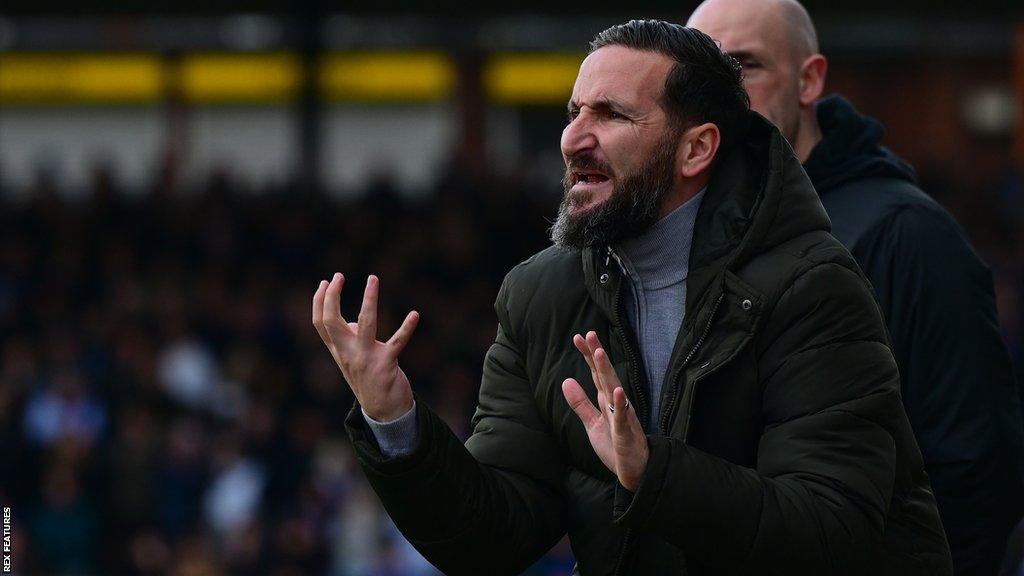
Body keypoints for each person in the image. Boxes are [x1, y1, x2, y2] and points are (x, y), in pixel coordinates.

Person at [313, 20, 952, 574]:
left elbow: (831, 533)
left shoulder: (812, 287)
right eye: (574, 113)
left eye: (611, 115)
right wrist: (394, 422)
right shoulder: (540, 295)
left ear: (696, 148)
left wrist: (654, 475)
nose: (572, 139)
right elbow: (491, 541)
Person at [686, 2, 1024, 573]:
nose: (721, 90)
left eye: (744, 65)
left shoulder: (906, 234)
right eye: (700, 74)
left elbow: (973, 466)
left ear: (809, 79)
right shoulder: (693, 236)